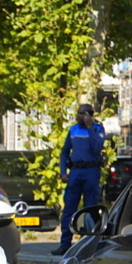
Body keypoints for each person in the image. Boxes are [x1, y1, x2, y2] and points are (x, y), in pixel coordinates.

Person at [52, 103, 106, 255]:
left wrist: (90, 127)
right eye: (78, 113)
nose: (79, 116)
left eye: (83, 113)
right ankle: (65, 243)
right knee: (69, 208)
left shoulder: (97, 129)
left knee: (90, 208)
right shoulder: (73, 130)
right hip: (75, 171)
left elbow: (97, 148)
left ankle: (87, 243)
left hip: (91, 171)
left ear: (90, 115)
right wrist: (63, 172)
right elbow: (64, 152)